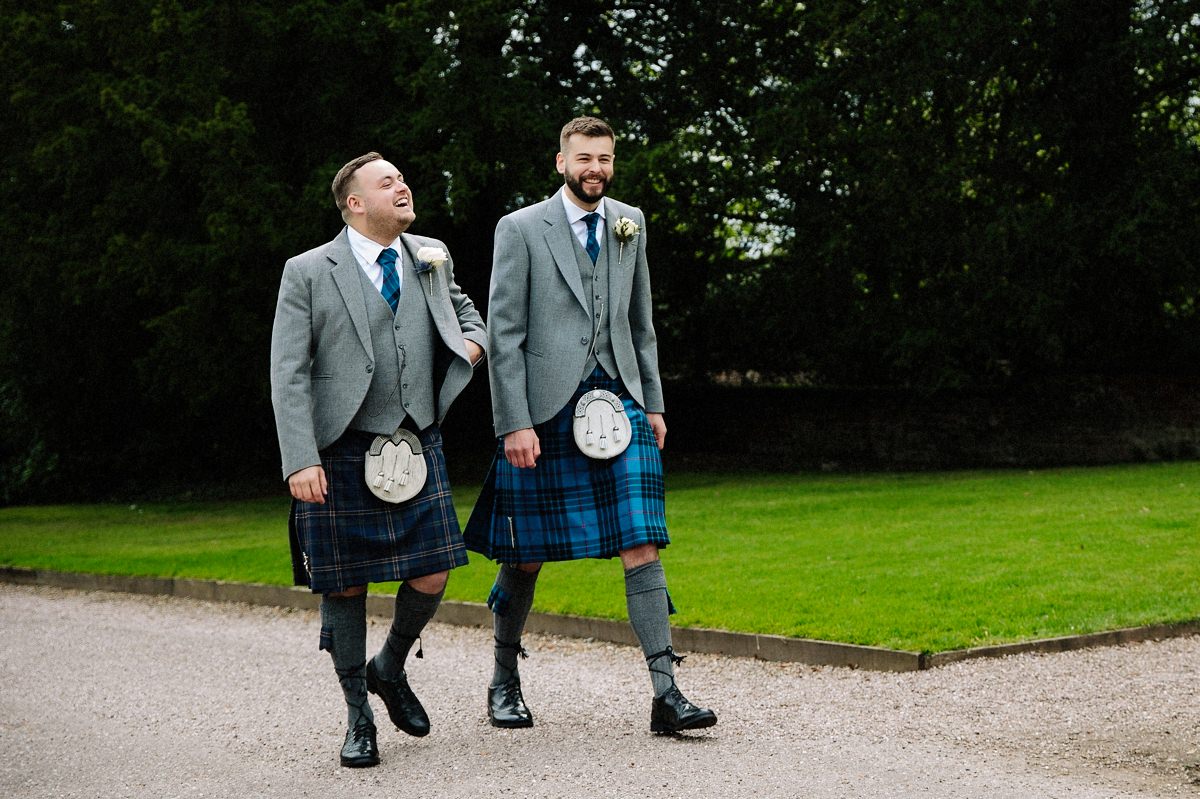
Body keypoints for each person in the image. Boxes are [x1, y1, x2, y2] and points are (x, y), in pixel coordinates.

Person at [464, 116, 716, 735]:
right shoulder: (520, 228)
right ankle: (503, 679)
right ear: (560, 162)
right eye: (584, 158)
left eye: (604, 158)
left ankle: (666, 692)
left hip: (622, 398)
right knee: (525, 555)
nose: (595, 169)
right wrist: (513, 422)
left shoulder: (630, 222)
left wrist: (652, 403)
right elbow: (505, 333)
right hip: (545, 408)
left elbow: (640, 323)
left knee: (642, 538)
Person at [270, 152, 486, 767]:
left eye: (402, 178)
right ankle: (357, 717)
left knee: (434, 572)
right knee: (343, 584)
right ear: (354, 203)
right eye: (386, 181)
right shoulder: (308, 271)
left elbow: (470, 316)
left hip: (418, 440)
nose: (402, 185)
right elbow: (287, 372)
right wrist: (299, 458)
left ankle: (388, 667)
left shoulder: (429, 255)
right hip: (340, 445)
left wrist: (466, 352)